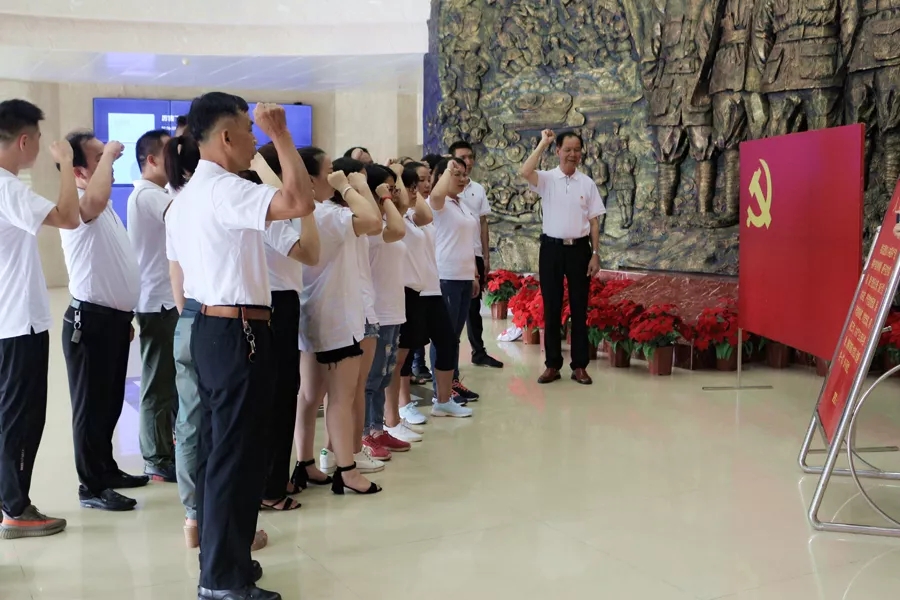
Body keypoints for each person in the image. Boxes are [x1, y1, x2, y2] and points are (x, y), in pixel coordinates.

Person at [166, 93, 315, 600]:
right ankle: (222, 580)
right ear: (226, 137)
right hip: (238, 333)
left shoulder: (188, 196)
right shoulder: (224, 189)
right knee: (236, 458)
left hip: (210, 328)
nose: (255, 140)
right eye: (250, 131)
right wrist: (283, 136)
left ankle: (223, 563)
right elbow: (300, 202)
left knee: (220, 453)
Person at [0, 99, 79, 539]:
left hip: (6, 321)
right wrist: (65, 164)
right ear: (25, 141)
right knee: (22, 417)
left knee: (9, 414)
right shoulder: (8, 188)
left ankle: (8, 498)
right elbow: (68, 217)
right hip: (17, 323)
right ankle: (15, 507)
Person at [58, 130, 146, 511]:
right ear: (79, 172)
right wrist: (109, 153)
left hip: (111, 321)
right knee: (90, 408)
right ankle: (91, 486)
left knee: (109, 404)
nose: (108, 163)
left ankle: (106, 470)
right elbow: (92, 200)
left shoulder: (103, 204)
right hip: (89, 323)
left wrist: (123, 315)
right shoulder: (81, 203)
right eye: (98, 159)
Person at [293, 154, 385, 492]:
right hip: (336, 317)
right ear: (313, 179)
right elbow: (373, 221)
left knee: (309, 395)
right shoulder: (328, 215)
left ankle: (304, 462)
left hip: (310, 314)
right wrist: (349, 186)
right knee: (341, 398)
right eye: (329, 171)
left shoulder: (300, 213)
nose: (333, 176)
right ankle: (346, 470)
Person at [253, 144, 320, 509]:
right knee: (279, 394)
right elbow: (309, 253)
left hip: (283, 301)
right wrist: (307, 208)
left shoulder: (276, 205)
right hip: (275, 303)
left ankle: (276, 478)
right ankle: (270, 487)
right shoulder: (272, 208)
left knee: (285, 390)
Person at [385, 163, 472, 422]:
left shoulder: (418, 215)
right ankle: (403, 405)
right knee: (405, 351)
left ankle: (443, 401)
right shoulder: (397, 216)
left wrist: (413, 192)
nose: (419, 189)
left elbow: (426, 214)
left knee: (447, 342)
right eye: (413, 185)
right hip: (409, 290)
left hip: (431, 288)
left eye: (422, 182)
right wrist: (398, 176)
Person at [520, 129, 605, 385]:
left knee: (579, 308)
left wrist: (595, 254)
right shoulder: (547, 179)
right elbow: (525, 171)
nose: (572, 154)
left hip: (579, 250)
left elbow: (594, 222)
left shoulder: (587, 183)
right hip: (551, 249)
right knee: (552, 306)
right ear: (557, 151)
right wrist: (543, 143)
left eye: (576, 150)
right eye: (567, 149)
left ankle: (579, 365)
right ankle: (552, 365)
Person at [127, 129, 179, 484]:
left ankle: (167, 449)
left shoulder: (158, 193)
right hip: (157, 303)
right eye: (169, 153)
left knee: (169, 383)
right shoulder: (148, 195)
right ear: (151, 160)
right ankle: (156, 458)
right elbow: (186, 216)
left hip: (165, 300)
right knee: (158, 385)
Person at [361, 163, 418, 459]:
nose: (394, 194)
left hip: (394, 308)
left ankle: (378, 427)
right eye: (387, 188)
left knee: (384, 375)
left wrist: (392, 189)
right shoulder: (369, 226)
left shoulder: (385, 220)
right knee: (371, 379)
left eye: (394, 189)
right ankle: (365, 434)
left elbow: (402, 211)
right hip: (376, 310)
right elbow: (399, 227)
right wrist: (383, 197)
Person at [428, 158, 482, 403]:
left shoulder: (463, 204)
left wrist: (474, 274)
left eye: (464, 174)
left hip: (464, 276)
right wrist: (447, 169)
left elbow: (469, 243)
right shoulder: (438, 203)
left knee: (454, 336)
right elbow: (436, 194)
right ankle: (440, 388)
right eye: (455, 174)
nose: (462, 179)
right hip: (446, 276)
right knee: (444, 336)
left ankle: (453, 380)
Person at [449, 141, 503, 369]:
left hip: (475, 254)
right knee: (451, 311)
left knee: (473, 307)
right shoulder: (443, 192)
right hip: (452, 257)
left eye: (471, 157)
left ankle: (478, 351)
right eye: (463, 158)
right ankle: (444, 361)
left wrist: (486, 255)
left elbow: (483, 223)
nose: (468, 162)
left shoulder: (477, 189)